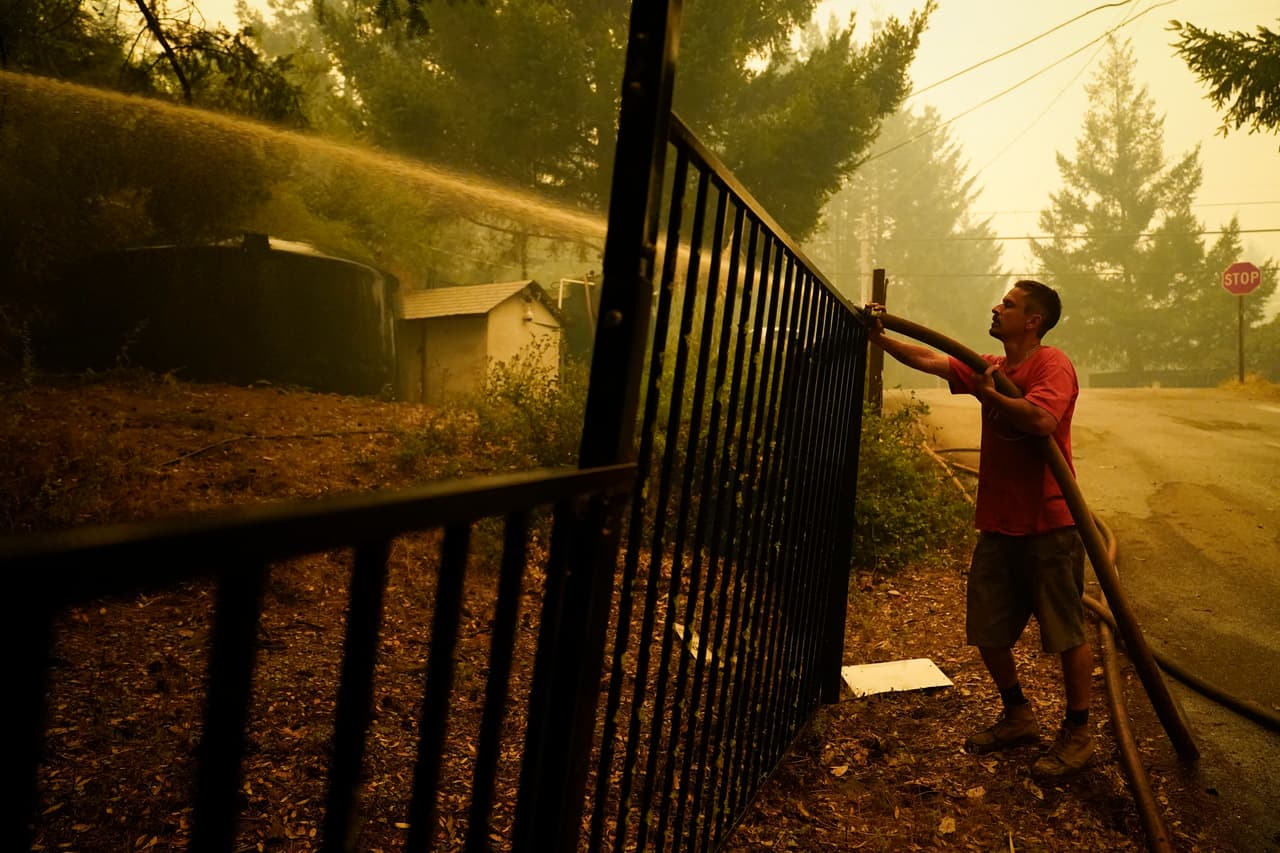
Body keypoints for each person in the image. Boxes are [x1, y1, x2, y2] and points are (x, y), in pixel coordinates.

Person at [866, 280, 1094, 780]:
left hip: (1049, 524)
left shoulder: (1050, 363)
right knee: (987, 629)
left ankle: (1078, 732)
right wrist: (880, 336)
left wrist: (994, 394)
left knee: (1065, 632)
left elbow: (1040, 418)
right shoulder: (993, 365)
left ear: (1032, 321)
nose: (997, 307)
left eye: (1009, 305)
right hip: (998, 523)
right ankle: (1018, 714)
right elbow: (930, 359)